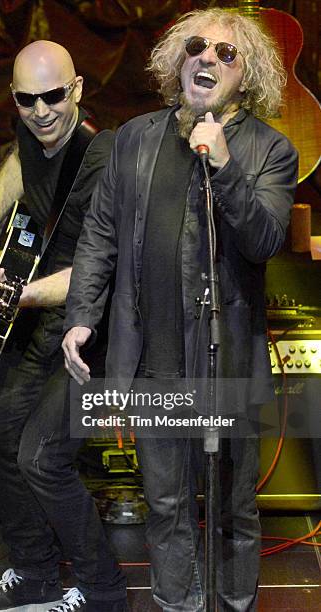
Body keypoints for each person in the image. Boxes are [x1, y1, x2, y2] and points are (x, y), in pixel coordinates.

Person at [62, 8, 298, 612]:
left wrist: (223, 164)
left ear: (247, 75)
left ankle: (234, 604)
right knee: (164, 504)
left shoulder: (269, 149)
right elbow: (100, 234)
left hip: (228, 364)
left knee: (233, 507)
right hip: (153, 363)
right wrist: (83, 314)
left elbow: (265, 239)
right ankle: (176, 603)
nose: (208, 59)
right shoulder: (135, 138)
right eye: (198, 47)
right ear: (177, 58)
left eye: (227, 53)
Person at [0, 40, 127, 612]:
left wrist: (15, 295)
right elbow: (19, 164)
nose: (41, 111)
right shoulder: (33, 131)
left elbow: (99, 271)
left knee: (40, 456)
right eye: (27, 100)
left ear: (76, 90)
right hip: (36, 318)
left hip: (86, 327)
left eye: (54, 96)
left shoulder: (104, 158)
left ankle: (103, 590)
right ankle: (36, 575)